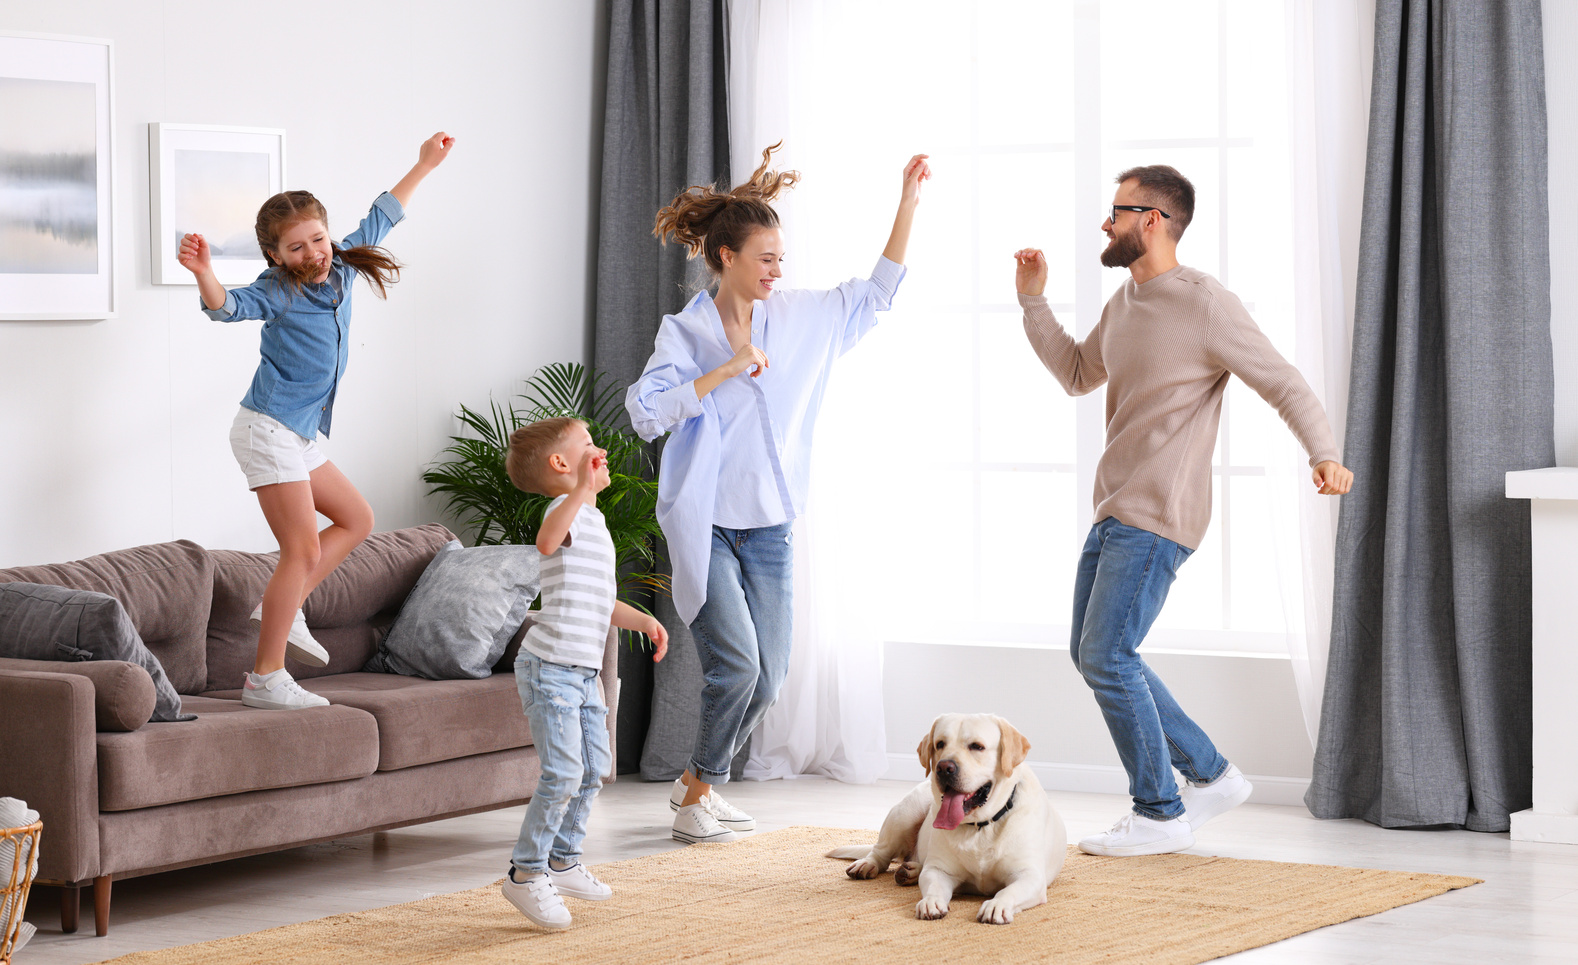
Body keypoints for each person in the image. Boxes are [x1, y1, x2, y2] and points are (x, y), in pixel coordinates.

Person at [1012, 165, 1353, 857]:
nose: (1105, 223)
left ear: (1154, 220)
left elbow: (1282, 381)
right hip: (1114, 505)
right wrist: (1034, 304)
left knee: (1108, 652)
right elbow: (1079, 373)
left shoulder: (1205, 303)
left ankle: (1159, 810)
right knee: (1092, 652)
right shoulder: (1126, 301)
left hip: (1160, 510)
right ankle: (1212, 774)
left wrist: (1323, 451)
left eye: (1118, 211)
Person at [626, 143, 930, 845]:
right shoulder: (686, 333)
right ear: (725, 256)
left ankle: (695, 783)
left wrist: (907, 204)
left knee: (768, 678)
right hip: (706, 525)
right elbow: (646, 410)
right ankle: (699, 798)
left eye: (781, 258)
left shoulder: (802, 317)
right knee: (736, 665)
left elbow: (877, 293)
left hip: (771, 529)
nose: (777, 270)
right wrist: (723, 371)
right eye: (765, 258)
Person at [178, 132, 454, 710]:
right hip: (267, 428)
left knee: (357, 518)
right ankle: (265, 677)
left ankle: (289, 602)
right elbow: (226, 309)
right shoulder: (276, 292)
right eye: (296, 248)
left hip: (299, 432)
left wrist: (423, 164)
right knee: (299, 550)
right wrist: (203, 271)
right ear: (275, 255)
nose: (313, 253)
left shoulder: (346, 269)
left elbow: (384, 215)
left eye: (318, 239)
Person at [499, 417, 669, 929]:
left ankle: (563, 858)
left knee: (595, 767)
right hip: (550, 668)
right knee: (564, 772)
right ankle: (525, 873)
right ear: (562, 465)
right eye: (589, 446)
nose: (602, 452)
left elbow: (598, 599)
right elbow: (547, 543)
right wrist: (575, 491)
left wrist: (641, 619)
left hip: (584, 674)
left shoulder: (593, 524)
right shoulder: (564, 510)